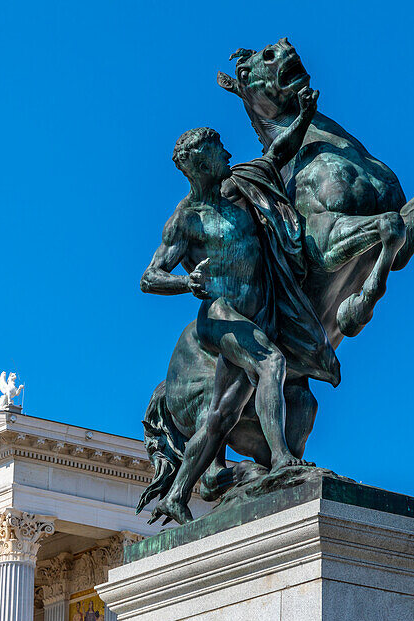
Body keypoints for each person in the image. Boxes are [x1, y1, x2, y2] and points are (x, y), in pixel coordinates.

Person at [139, 87, 337, 524]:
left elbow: (279, 151)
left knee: (220, 417)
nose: (228, 151)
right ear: (197, 163)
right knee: (271, 363)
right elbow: (149, 277)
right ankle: (283, 460)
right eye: (218, 149)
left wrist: (304, 115)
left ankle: (177, 492)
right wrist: (186, 284)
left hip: (256, 312)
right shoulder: (187, 219)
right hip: (219, 315)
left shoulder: (240, 189)